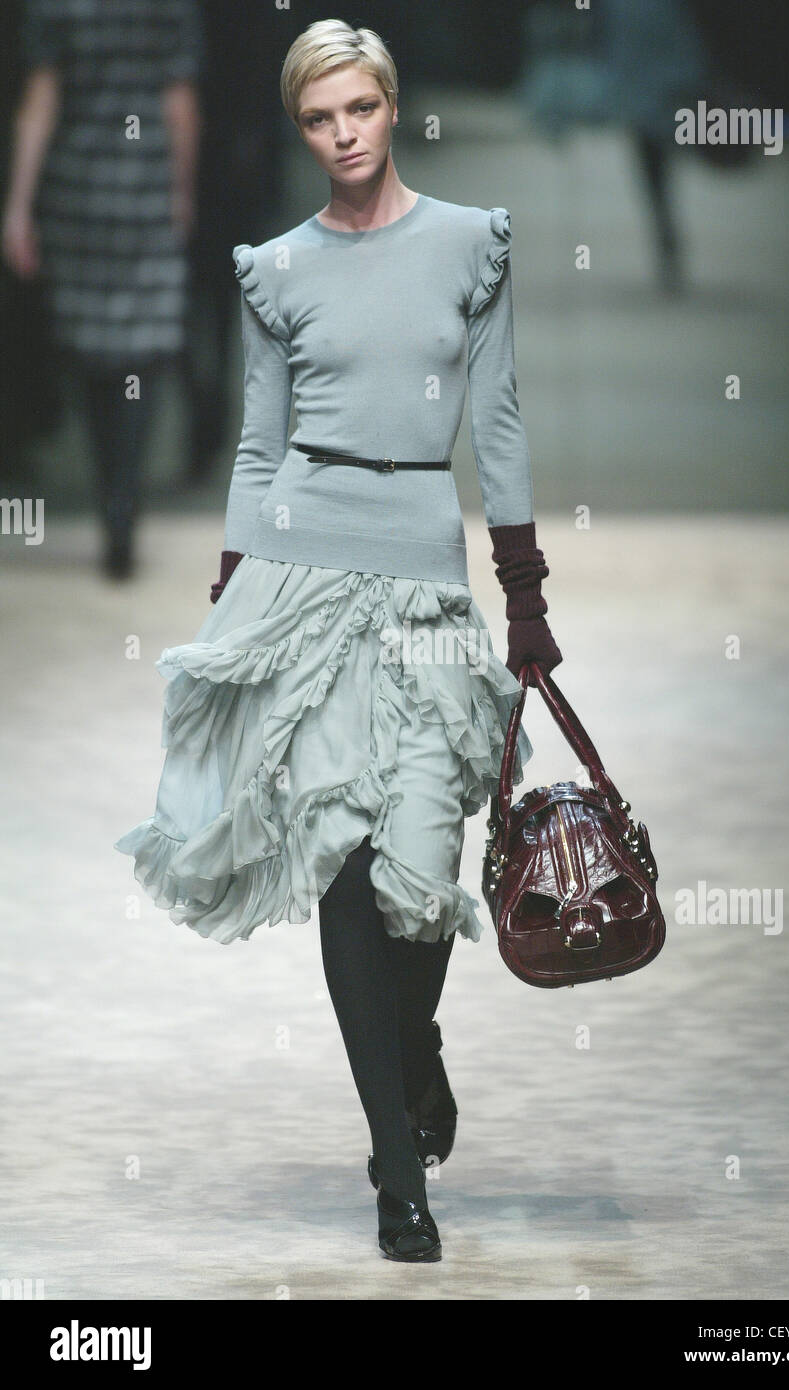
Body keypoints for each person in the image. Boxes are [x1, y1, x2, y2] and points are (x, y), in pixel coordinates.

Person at [114, 18, 563, 1263]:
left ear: (392, 104)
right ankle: (394, 1168)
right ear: (303, 127)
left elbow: (502, 417)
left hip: (424, 584)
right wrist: (232, 586)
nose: (343, 134)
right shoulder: (277, 269)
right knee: (343, 862)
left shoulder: (469, 244)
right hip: (304, 578)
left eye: (359, 108)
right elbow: (260, 444)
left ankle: (412, 1050)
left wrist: (521, 592)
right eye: (319, 119)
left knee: (420, 866)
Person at [1, 0, 202, 578]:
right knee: (145, 344)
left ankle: (112, 493)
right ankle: (124, 492)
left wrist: (19, 205)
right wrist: (182, 191)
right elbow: (179, 102)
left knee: (92, 347)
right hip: (146, 188)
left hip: (78, 188)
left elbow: (39, 102)